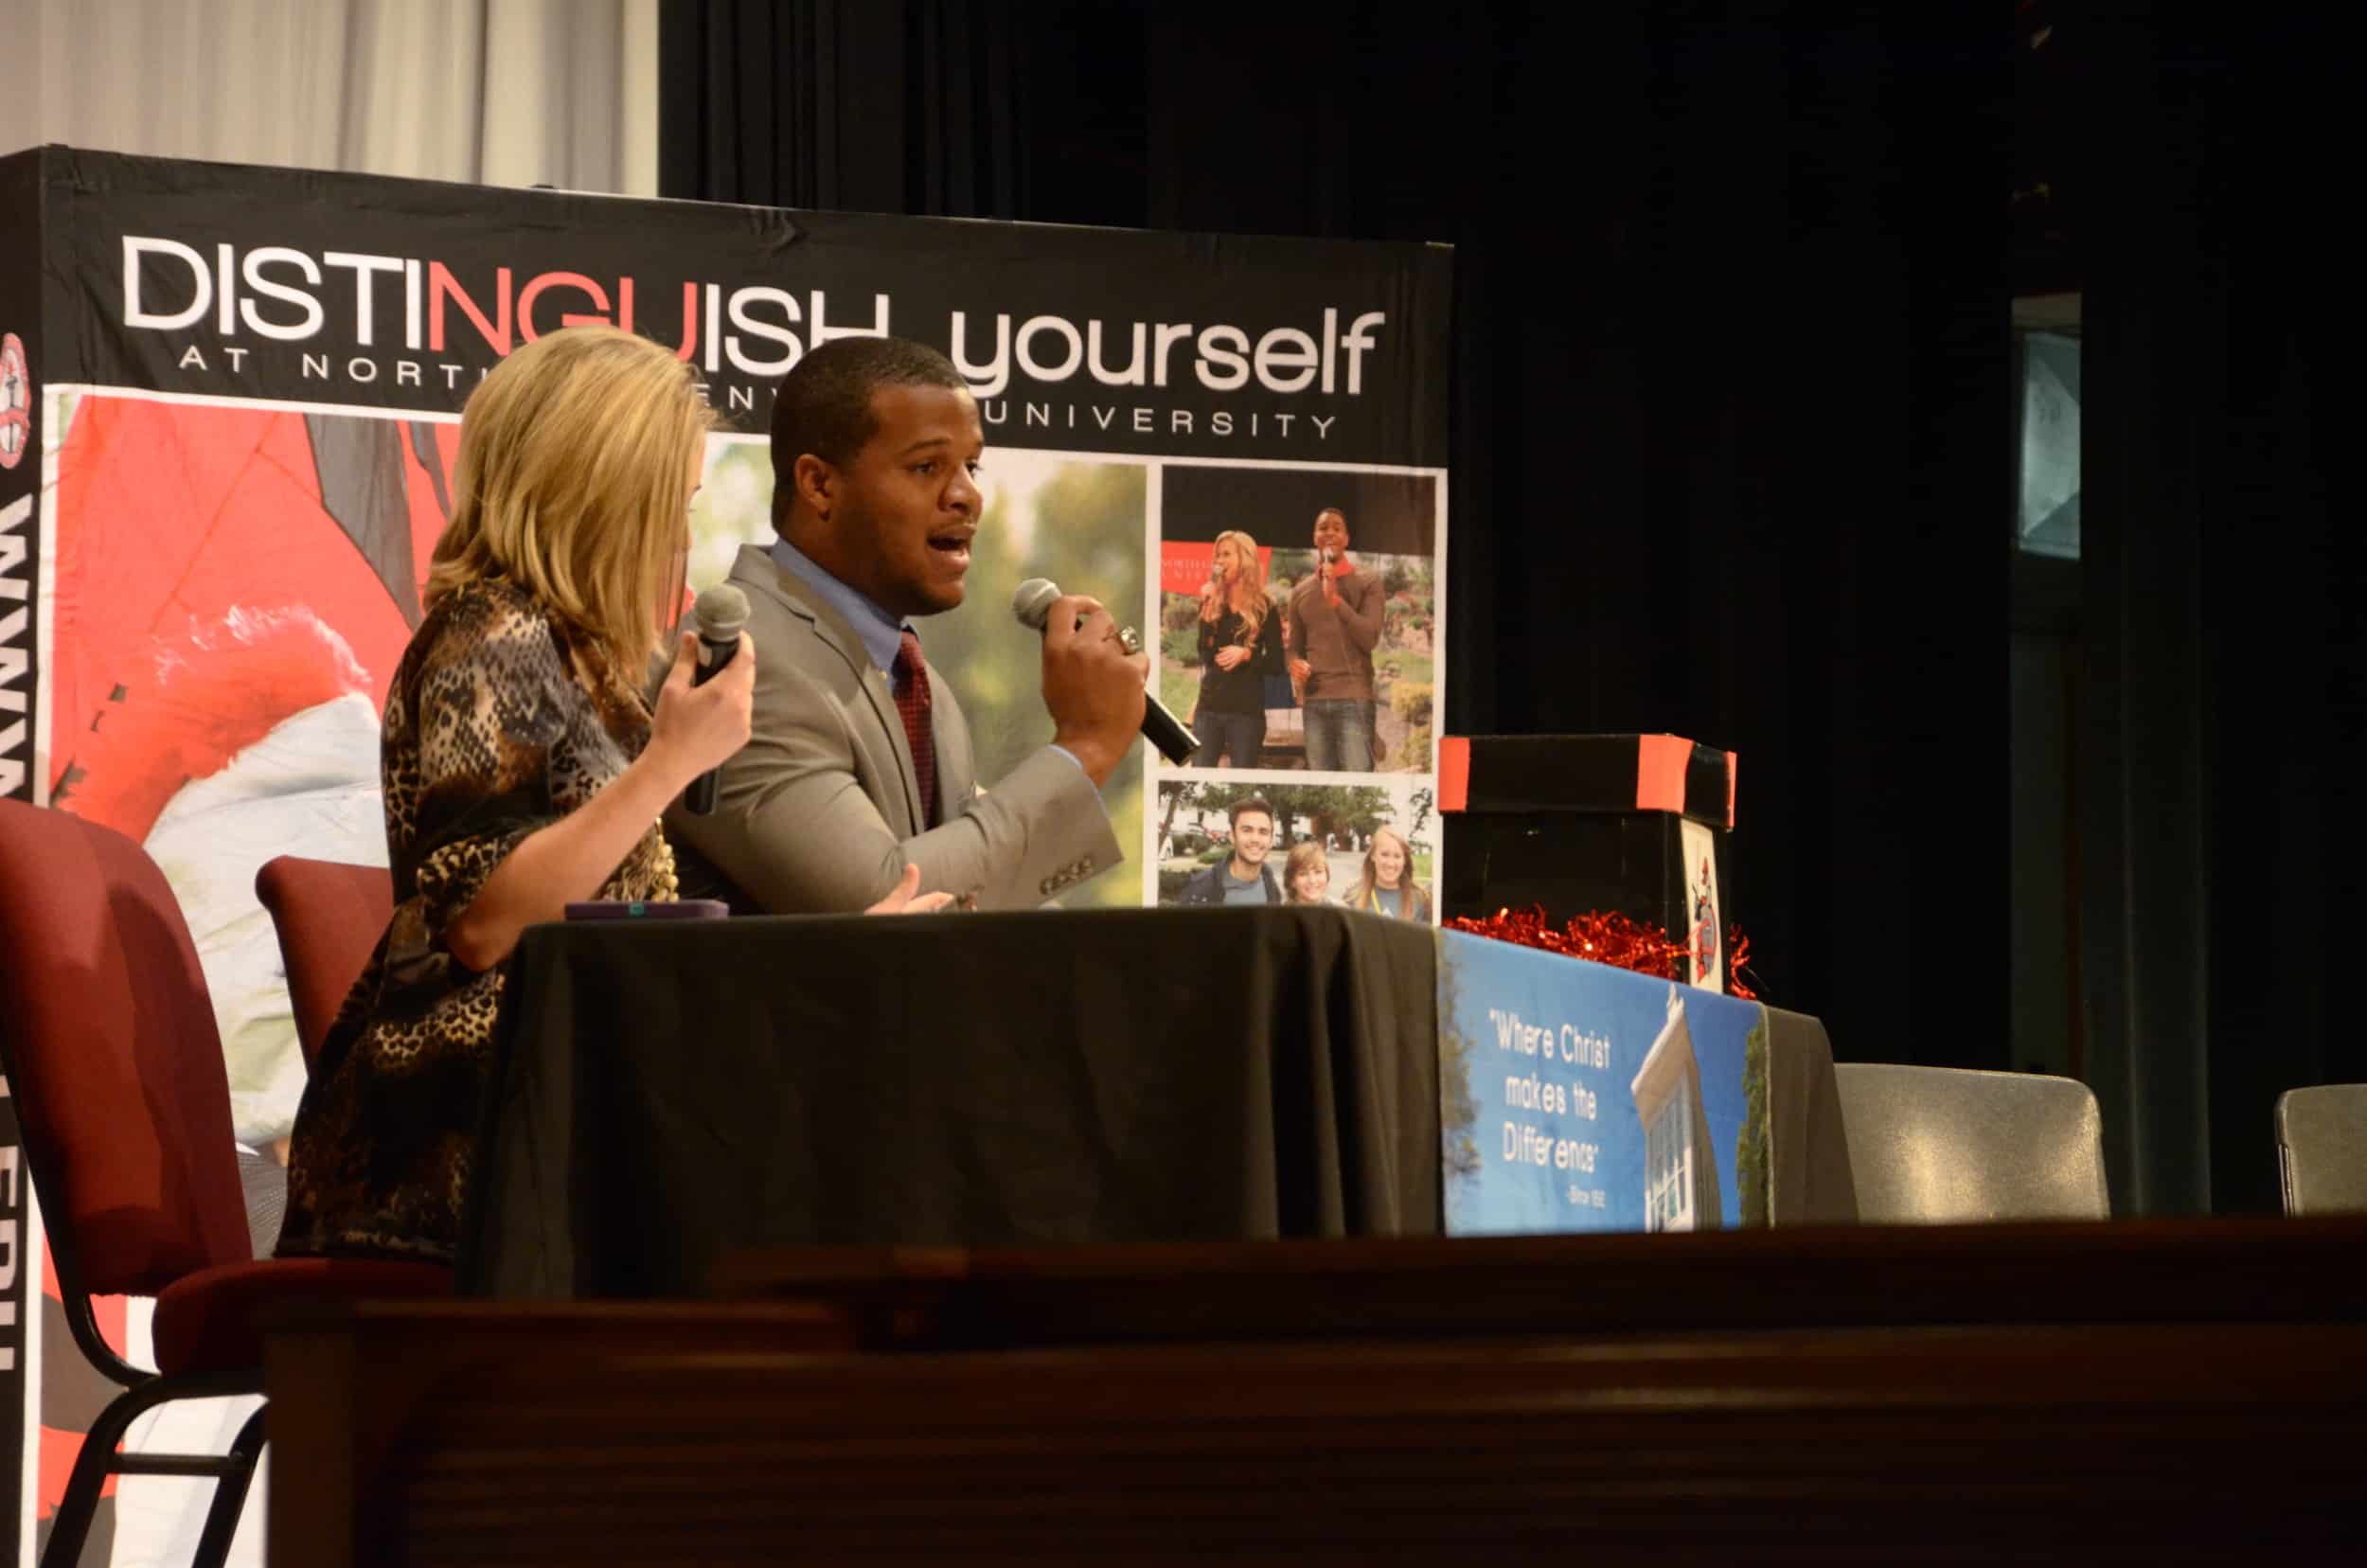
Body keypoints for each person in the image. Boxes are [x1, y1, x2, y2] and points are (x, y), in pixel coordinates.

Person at [276, 328, 938, 1264]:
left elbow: (625, 930)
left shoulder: (584, 664)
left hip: (568, 1133)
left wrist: (834, 953)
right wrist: (669, 764)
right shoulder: (490, 637)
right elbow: (487, 921)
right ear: (603, 499)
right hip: (469, 1174)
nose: (678, 536)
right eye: (669, 504)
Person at [664, 336, 1148, 912]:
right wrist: (1085, 747)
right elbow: (882, 900)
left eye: (971, 466)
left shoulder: (917, 681)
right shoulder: (738, 664)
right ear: (820, 484)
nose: (968, 495)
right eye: (926, 467)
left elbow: (972, 889)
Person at [1286, 507, 1386, 773]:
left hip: (1355, 700)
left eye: (1336, 527)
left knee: (1358, 790)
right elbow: (1293, 648)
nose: (1329, 532)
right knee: (1322, 791)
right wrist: (1294, 664)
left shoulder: (1369, 582)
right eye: (1323, 527)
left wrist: (1335, 601)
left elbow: (1369, 637)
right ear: (1314, 537)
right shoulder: (1300, 592)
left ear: (1346, 538)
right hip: (1315, 704)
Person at [1189, 528, 1284, 767]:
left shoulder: (1265, 607)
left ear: (1245, 558)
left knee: (1242, 778)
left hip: (1246, 714)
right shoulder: (1214, 601)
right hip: (1209, 711)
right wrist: (1207, 618)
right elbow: (1205, 656)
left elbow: (1276, 664)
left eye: (1226, 554)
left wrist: (1247, 654)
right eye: (1217, 555)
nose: (1219, 561)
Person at [1176, 796, 1283, 905]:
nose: (1255, 839)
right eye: (1247, 830)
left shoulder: (1271, 886)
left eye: (1263, 832)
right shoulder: (1200, 889)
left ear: (1271, 840)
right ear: (1232, 836)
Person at [1343, 827, 1432, 920]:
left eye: (1397, 856)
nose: (1390, 863)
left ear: (1405, 860)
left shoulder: (1420, 899)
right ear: (1373, 855)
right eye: (1384, 854)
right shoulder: (1352, 896)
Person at [1282, 839, 1334, 905]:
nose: (1312, 880)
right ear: (1292, 881)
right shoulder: (1281, 914)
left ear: (1327, 876)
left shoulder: (1340, 912)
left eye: (1318, 872)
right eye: (1303, 874)